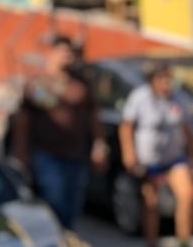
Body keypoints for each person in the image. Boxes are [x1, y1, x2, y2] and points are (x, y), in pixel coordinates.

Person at [11, 34, 108, 231]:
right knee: (55, 200)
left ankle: (65, 237)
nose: (67, 56)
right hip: (47, 154)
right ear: (52, 53)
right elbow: (23, 120)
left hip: (76, 154)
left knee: (72, 204)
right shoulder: (38, 84)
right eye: (63, 51)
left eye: (70, 52)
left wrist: (99, 145)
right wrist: (21, 151)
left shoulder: (80, 84)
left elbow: (93, 117)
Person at [119, 60, 193, 247]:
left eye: (170, 78)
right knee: (151, 202)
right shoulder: (140, 97)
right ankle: (151, 242)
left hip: (174, 157)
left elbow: (187, 130)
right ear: (153, 79)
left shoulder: (179, 98)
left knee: (187, 194)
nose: (168, 83)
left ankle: (183, 240)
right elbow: (126, 127)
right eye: (163, 78)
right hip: (149, 159)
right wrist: (129, 154)